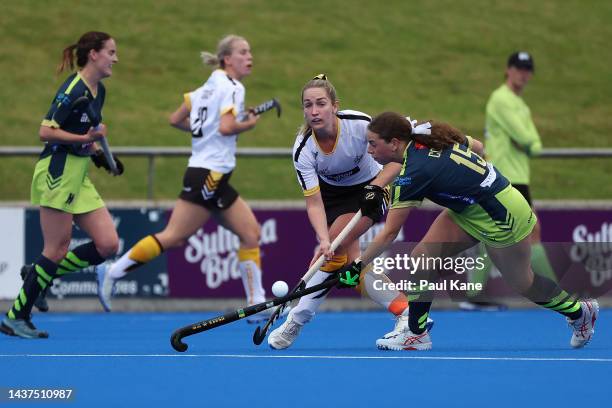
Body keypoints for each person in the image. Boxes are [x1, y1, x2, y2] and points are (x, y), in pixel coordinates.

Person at [336, 112, 598, 350]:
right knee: (422, 259)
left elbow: (388, 234)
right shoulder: (424, 135)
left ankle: (579, 312)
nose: (368, 150)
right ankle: (416, 334)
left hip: (502, 216)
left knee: (523, 283)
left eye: (372, 143)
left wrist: (357, 267)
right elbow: (478, 147)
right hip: (468, 209)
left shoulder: (411, 174)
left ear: (394, 143)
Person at [97, 35, 270, 322]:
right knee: (175, 236)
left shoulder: (205, 88)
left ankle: (256, 303)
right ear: (227, 59)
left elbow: (175, 119)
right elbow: (228, 127)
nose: (249, 56)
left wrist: (205, 132)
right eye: (242, 52)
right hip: (209, 175)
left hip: (214, 175)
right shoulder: (233, 87)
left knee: (250, 234)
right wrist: (248, 124)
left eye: (250, 51)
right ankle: (112, 271)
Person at [267, 75, 432, 350]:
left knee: (335, 248)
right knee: (346, 262)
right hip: (332, 199)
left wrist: (376, 187)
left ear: (335, 106)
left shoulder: (359, 125)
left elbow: (400, 159)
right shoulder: (303, 149)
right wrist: (322, 238)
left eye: (321, 103)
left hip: (370, 190)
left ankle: (296, 319)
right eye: (308, 105)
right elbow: (314, 203)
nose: (314, 111)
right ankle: (406, 312)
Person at [0, 31, 122, 339]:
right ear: (93, 54)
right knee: (55, 249)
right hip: (58, 171)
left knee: (107, 244)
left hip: (78, 173)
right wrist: (85, 140)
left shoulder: (99, 91)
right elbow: (46, 131)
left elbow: (89, 130)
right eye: (110, 52)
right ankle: (16, 316)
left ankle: (38, 274)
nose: (115, 58)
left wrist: (101, 157)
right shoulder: (72, 88)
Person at [460, 51, 556, 311]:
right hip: (505, 175)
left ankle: (474, 294)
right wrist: (528, 143)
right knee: (526, 230)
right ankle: (555, 292)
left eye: (527, 69)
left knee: (496, 230)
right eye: (518, 68)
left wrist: (529, 143)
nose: (523, 73)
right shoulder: (501, 99)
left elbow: (532, 142)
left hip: (517, 175)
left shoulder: (519, 104)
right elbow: (528, 140)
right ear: (508, 69)